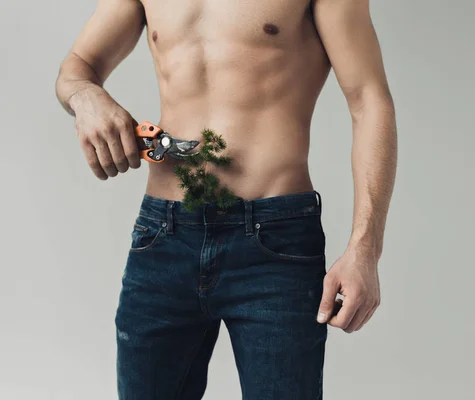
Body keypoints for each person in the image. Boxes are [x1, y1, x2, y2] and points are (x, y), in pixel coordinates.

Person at [55, 0, 397, 398]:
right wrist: (86, 97)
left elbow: (369, 101)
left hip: (273, 242)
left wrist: (365, 249)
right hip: (163, 236)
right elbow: (77, 67)